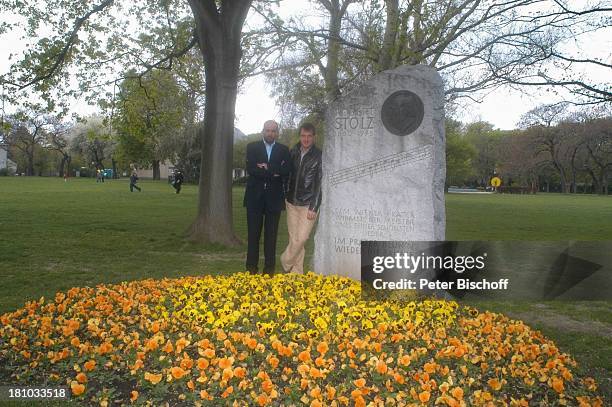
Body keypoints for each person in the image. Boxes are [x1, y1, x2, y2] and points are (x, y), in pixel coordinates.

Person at [243, 120, 291, 275]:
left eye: (273, 130)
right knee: (253, 235)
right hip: (254, 198)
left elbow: (287, 170)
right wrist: (274, 173)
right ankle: (251, 269)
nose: (270, 133)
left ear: (277, 132)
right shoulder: (252, 147)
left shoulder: (284, 150)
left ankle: (269, 270)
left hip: (274, 199)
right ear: (263, 131)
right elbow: (251, 169)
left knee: (271, 237)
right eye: (268, 130)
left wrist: (267, 167)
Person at [280, 122, 322, 274]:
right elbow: (286, 175)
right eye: (303, 136)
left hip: (308, 204)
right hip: (291, 202)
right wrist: (285, 193)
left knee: (302, 238)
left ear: (314, 137)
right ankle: (296, 272)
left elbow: (320, 184)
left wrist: (314, 206)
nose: (306, 139)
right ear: (300, 136)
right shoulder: (293, 152)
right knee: (294, 239)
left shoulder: (319, 156)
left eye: (309, 136)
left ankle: (285, 260)